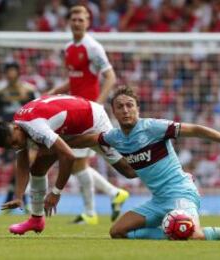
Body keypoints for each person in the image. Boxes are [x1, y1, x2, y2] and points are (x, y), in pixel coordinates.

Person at [67, 86, 220, 241]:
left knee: (193, 235)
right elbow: (86, 140)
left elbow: (194, 129)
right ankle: (173, 230)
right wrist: (51, 139)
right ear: (114, 112)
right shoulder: (114, 137)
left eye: (130, 105)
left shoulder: (152, 127)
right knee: (117, 232)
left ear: (137, 109)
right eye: (120, 107)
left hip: (182, 193)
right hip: (158, 201)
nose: (125, 110)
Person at [0, 94, 136, 235]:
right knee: (38, 168)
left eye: (15, 142)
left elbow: (68, 157)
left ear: (15, 128)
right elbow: (22, 162)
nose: (16, 146)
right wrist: (19, 196)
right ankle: (36, 220)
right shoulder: (18, 127)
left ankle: (141, 148)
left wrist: (56, 193)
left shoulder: (35, 127)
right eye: (12, 146)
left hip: (93, 121)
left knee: (129, 171)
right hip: (68, 127)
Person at [48, 5, 129, 224]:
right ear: (69, 21)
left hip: (89, 115)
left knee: (78, 163)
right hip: (76, 112)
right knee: (77, 164)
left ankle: (92, 212)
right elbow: (76, 79)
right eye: (73, 19)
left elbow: (110, 77)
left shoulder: (93, 47)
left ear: (88, 22)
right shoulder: (69, 48)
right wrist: (55, 92)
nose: (76, 22)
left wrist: (97, 105)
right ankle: (113, 195)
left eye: (80, 19)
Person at [0, 61, 39, 213]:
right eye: (8, 71)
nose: (11, 74)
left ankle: (18, 200)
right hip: (6, 137)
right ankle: (18, 199)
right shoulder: (1, 93)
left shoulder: (28, 91)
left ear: (18, 73)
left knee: (21, 166)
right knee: (17, 168)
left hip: (24, 134)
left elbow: (36, 108)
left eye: (13, 71)